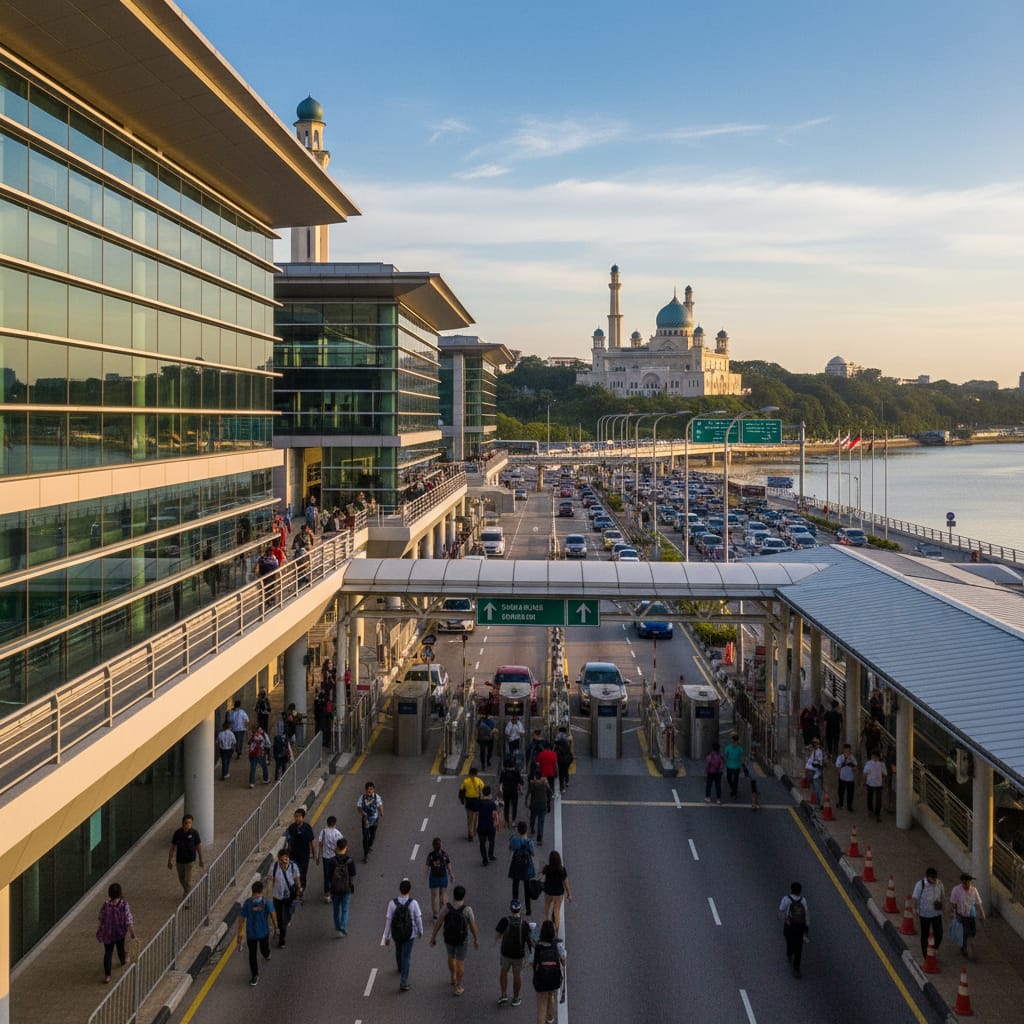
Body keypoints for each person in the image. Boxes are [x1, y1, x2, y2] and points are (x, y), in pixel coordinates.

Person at [429, 884, 480, 996]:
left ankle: (453, 976)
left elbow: (439, 922)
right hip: (462, 940)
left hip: (449, 938)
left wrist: (433, 937)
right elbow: (473, 926)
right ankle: (458, 986)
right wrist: (476, 939)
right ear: (463, 896)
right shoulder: (467, 910)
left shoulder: (447, 907)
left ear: (453, 895)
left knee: (451, 956)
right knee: (460, 962)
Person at [383, 878, 424, 992]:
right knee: (406, 956)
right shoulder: (413, 903)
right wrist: (420, 931)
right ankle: (403, 982)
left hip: (396, 933)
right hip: (409, 934)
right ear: (409, 890)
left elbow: (388, 920)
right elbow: (418, 918)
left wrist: (386, 936)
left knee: (398, 950)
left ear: (399, 889)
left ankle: (400, 968)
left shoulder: (392, 903)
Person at [236, 879, 276, 986]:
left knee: (258, 952)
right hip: (257, 933)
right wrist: (276, 928)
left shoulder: (253, 903)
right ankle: (256, 972)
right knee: (257, 953)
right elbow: (273, 915)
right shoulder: (261, 902)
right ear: (262, 891)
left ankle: (256, 972)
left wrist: (239, 934)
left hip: (257, 933)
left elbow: (241, 920)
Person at [495, 899, 534, 1007]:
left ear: (510, 909)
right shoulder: (524, 923)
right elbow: (529, 940)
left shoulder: (505, 920)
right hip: (518, 954)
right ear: (520, 909)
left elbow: (497, 935)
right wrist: (531, 953)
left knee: (503, 972)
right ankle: (516, 998)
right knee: (517, 975)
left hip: (506, 952)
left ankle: (503, 994)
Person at [96, 883, 136, 983]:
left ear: (109, 893)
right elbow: (128, 920)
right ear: (120, 893)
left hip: (107, 933)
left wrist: (101, 928)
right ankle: (123, 960)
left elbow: (101, 917)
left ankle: (107, 976)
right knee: (120, 949)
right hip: (119, 932)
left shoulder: (106, 905)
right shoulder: (123, 904)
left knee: (108, 953)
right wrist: (132, 933)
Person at [532, 919, 566, 1024]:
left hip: (541, 980)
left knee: (541, 1006)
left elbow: (532, 963)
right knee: (552, 997)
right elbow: (564, 960)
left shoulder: (538, 947)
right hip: (554, 979)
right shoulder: (558, 945)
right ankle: (550, 1018)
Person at [270, 848, 302, 947]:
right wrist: (271, 894)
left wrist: (299, 889)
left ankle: (285, 923)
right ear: (279, 859)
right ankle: (282, 939)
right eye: (283, 858)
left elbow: (296, 878)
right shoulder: (274, 867)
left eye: (287, 857)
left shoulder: (293, 866)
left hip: (289, 896)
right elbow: (272, 881)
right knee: (280, 919)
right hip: (278, 897)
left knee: (288, 915)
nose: (285, 860)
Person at [949, 872, 986, 958]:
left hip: (971, 915)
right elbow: (953, 903)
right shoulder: (956, 890)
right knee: (965, 933)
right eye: (967, 882)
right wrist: (951, 912)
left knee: (973, 932)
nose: (969, 884)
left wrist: (982, 913)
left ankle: (966, 946)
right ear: (963, 882)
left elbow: (978, 902)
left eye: (970, 882)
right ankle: (965, 948)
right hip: (961, 915)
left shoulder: (974, 890)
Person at [912, 867, 945, 960]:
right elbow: (915, 899)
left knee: (939, 933)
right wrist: (915, 913)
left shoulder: (939, 884)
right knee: (925, 935)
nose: (934, 881)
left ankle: (934, 949)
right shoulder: (920, 884)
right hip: (924, 915)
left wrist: (945, 908)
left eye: (935, 878)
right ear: (927, 877)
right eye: (932, 879)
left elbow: (943, 897)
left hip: (936, 914)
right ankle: (925, 956)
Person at [167, 814, 204, 895]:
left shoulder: (194, 833)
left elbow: (198, 846)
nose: (188, 825)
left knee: (187, 880)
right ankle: (187, 890)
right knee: (181, 879)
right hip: (180, 860)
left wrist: (201, 859)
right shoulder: (177, 833)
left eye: (190, 823)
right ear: (183, 823)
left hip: (190, 860)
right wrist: (169, 860)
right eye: (186, 823)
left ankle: (187, 895)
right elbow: (173, 847)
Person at [779, 882, 809, 978]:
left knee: (789, 940)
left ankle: (789, 952)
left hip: (789, 925)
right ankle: (796, 969)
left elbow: (781, 911)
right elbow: (806, 914)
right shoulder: (803, 900)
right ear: (800, 891)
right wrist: (806, 929)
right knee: (798, 948)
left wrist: (785, 919)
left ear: (791, 889)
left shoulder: (786, 899)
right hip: (800, 927)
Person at [507, 821, 536, 914]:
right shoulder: (529, 842)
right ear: (526, 830)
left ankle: (515, 907)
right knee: (527, 888)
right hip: (527, 867)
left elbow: (510, 848)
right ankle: (528, 909)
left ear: (518, 830)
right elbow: (533, 853)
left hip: (516, 865)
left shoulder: (514, 839)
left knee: (515, 886)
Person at [329, 838, 356, 935]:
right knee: (345, 909)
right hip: (346, 889)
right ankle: (343, 926)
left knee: (336, 910)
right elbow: (352, 875)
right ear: (346, 847)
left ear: (337, 847)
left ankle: (337, 926)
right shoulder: (350, 861)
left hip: (335, 889)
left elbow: (329, 876)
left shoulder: (332, 861)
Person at [285, 808, 316, 891]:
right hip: (293, 855)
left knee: (302, 873)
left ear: (303, 817)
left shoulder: (307, 828)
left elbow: (312, 842)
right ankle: (295, 888)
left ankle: (301, 889)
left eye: (299, 816)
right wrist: (287, 855)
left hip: (304, 856)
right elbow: (289, 843)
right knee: (293, 872)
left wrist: (314, 854)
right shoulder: (291, 828)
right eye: (295, 816)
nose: (297, 818)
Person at [541, 850, 572, 933]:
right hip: (558, 893)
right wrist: (569, 894)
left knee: (547, 908)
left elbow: (541, 878)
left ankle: (547, 925)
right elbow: (566, 883)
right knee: (556, 910)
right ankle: (556, 932)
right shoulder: (562, 870)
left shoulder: (547, 868)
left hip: (548, 891)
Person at [425, 836, 454, 919]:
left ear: (433, 846)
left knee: (434, 896)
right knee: (443, 894)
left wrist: (425, 875)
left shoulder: (431, 855)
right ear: (441, 845)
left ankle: (435, 914)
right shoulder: (444, 854)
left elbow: (427, 866)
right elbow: (448, 865)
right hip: (443, 877)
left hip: (433, 877)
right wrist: (451, 874)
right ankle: (442, 912)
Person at [317, 815, 344, 903]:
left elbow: (320, 844)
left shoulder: (323, 832)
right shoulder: (337, 833)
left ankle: (327, 894)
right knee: (335, 874)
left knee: (326, 875)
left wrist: (318, 856)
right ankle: (335, 891)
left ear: (327, 823)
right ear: (335, 824)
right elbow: (342, 845)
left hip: (326, 857)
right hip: (335, 857)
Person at [357, 780, 383, 863]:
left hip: (374, 820)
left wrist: (381, 812)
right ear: (365, 790)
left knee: (372, 836)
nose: (369, 790)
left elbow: (380, 805)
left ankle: (369, 846)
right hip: (365, 820)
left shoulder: (377, 797)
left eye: (371, 789)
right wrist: (362, 813)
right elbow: (358, 807)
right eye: (368, 789)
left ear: (373, 789)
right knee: (365, 838)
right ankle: (365, 855)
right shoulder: (362, 798)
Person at [459, 766, 485, 842]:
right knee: (476, 817)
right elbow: (483, 789)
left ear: (469, 773)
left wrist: (462, 800)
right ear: (476, 774)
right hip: (477, 802)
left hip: (468, 802)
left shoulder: (466, 781)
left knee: (469, 818)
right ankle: (473, 831)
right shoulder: (479, 781)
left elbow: (461, 792)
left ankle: (470, 833)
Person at [476, 785, 501, 866]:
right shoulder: (492, 804)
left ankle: (485, 859)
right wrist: (497, 824)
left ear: (483, 793)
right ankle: (491, 855)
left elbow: (477, 814)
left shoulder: (480, 803)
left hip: (481, 826)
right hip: (490, 826)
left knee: (482, 843)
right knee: (491, 841)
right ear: (490, 794)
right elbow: (495, 815)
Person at [862, 748, 888, 822]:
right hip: (876, 784)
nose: (874, 758)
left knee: (872, 798)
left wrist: (864, 781)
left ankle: (872, 811)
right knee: (876, 799)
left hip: (872, 783)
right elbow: (885, 774)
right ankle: (876, 812)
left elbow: (865, 774)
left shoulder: (870, 763)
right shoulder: (881, 764)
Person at [499, 757, 524, 826]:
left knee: (506, 807)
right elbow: (520, 782)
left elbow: (500, 782)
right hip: (514, 792)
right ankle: (513, 821)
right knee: (514, 806)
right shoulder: (516, 772)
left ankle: (506, 821)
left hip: (506, 791)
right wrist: (521, 790)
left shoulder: (503, 772)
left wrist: (501, 790)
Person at [527, 770, 549, 845]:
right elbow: (549, 792)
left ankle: (532, 829)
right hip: (542, 805)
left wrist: (526, 801)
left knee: (532, 818)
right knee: (541, 821)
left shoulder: (532, 784)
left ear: (535, 777)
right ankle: (539, 838)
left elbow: (528, 793)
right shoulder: (544, 783)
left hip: (534, 804)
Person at [835, 743, 858, 811]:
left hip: (850, 778)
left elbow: (855, 767)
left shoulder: (852, 757)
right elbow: (837, 767)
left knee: (850, 793)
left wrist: (852, 766)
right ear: (843, 751)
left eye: (848, 751)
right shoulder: (840, 757)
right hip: (842, 777)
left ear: (850, 751)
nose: (847, 753)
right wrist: (844, 763)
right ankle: (840, 803)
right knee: (840, 792)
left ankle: (849, 806)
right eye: (845, 751)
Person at [723, 732, 745, 801]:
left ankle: (734, 792)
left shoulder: (738, 748)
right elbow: (741, 758)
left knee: (734, 779)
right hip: (732, 766)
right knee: (730, 778)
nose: (733, 742)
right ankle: (733, 789)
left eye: (733, 740)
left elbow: (725, 756)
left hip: (735, 766)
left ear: (733, 740)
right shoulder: (731, 748)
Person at [805, 737, 825, 807]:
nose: (815, 744)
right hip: (812, 773)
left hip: (816, 774)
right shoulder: (814, 751)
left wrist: (816, 765)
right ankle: (818, 804)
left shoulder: (820, 752)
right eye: (814, 743)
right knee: (815, 789)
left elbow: (820, 764)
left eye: (816, 743)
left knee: (818, 790)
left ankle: (820, 804)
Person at [554, 726, 573, 793]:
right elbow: (570, 748)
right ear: (565, 731)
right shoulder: (567, 738)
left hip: (560, 759)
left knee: (561, 774)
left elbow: (555, 746)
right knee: (566, 770)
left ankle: (562, 788)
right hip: (567, 759)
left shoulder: (557, 738)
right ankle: (567, 781)